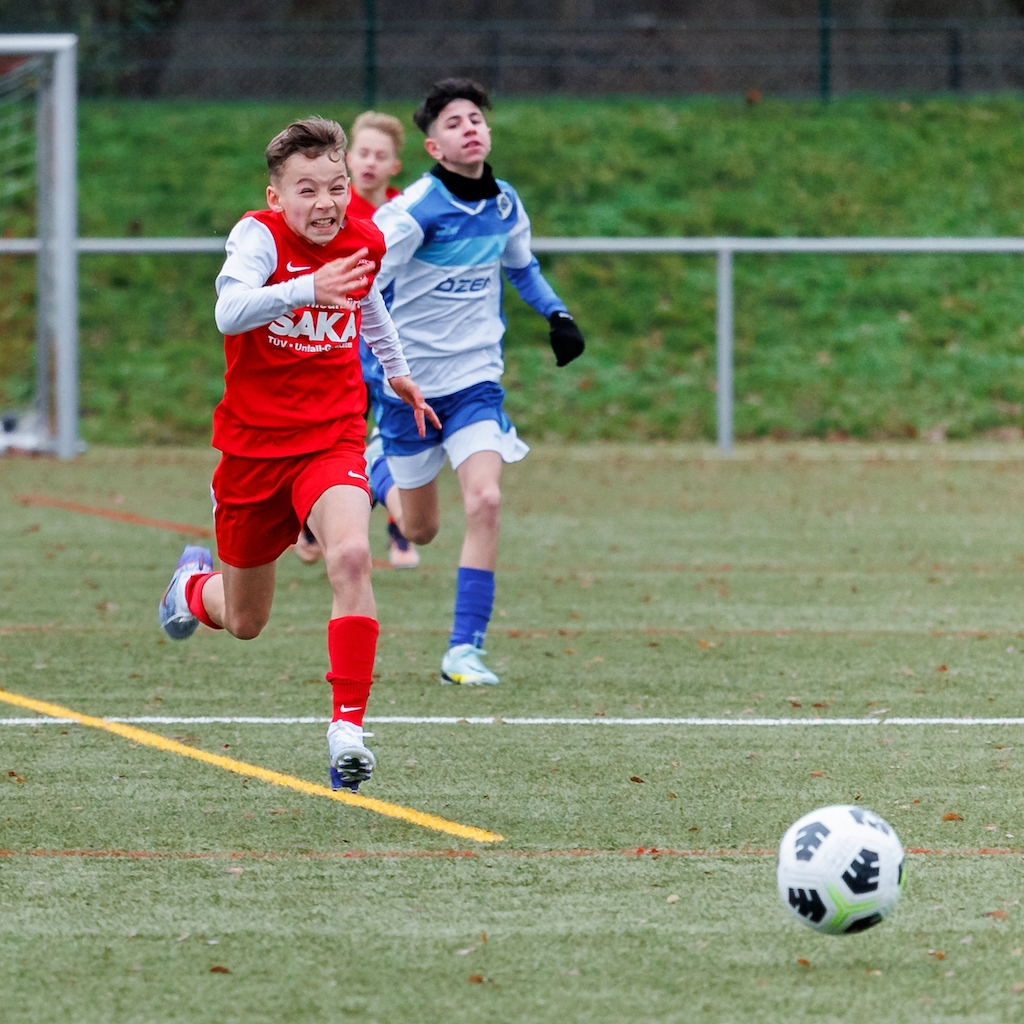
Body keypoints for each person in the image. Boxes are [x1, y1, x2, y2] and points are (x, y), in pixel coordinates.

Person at [157, 116, 438, 792]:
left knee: (351, 555)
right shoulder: (256, 236)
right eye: (306, 189)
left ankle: (348, 732)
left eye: (335, 187)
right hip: (253, 449)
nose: (325, 202)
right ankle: (191, 589)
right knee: (245, 621)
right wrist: (308, 288)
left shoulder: (363, 238)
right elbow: (229, 312)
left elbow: (368, 303)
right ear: (276, 196)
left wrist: (396, 370)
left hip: (332, 435)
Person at [368, 78, 586, 687]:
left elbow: (522, 268)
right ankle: (375, 463)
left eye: (475, 119)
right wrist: (372, 369)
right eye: (453, 123)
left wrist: (558, 315)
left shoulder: (505, 204)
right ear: (433, 147)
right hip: (409, 391)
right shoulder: (412, 212)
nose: (469, 128)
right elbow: (363, 288)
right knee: (421, 530)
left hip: (474, 383)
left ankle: (464, 650)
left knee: (486, 500)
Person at [293, 110, 420, 568]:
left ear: (394, 166)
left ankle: (399, 532)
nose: (369, 162)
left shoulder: (407, 213)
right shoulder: (332, 213)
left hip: (387, 347)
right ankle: (313, 523)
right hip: (337, 347)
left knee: (391, 439)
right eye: (362, 153)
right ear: (348, 160)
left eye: (380, 156)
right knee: (333, 439)